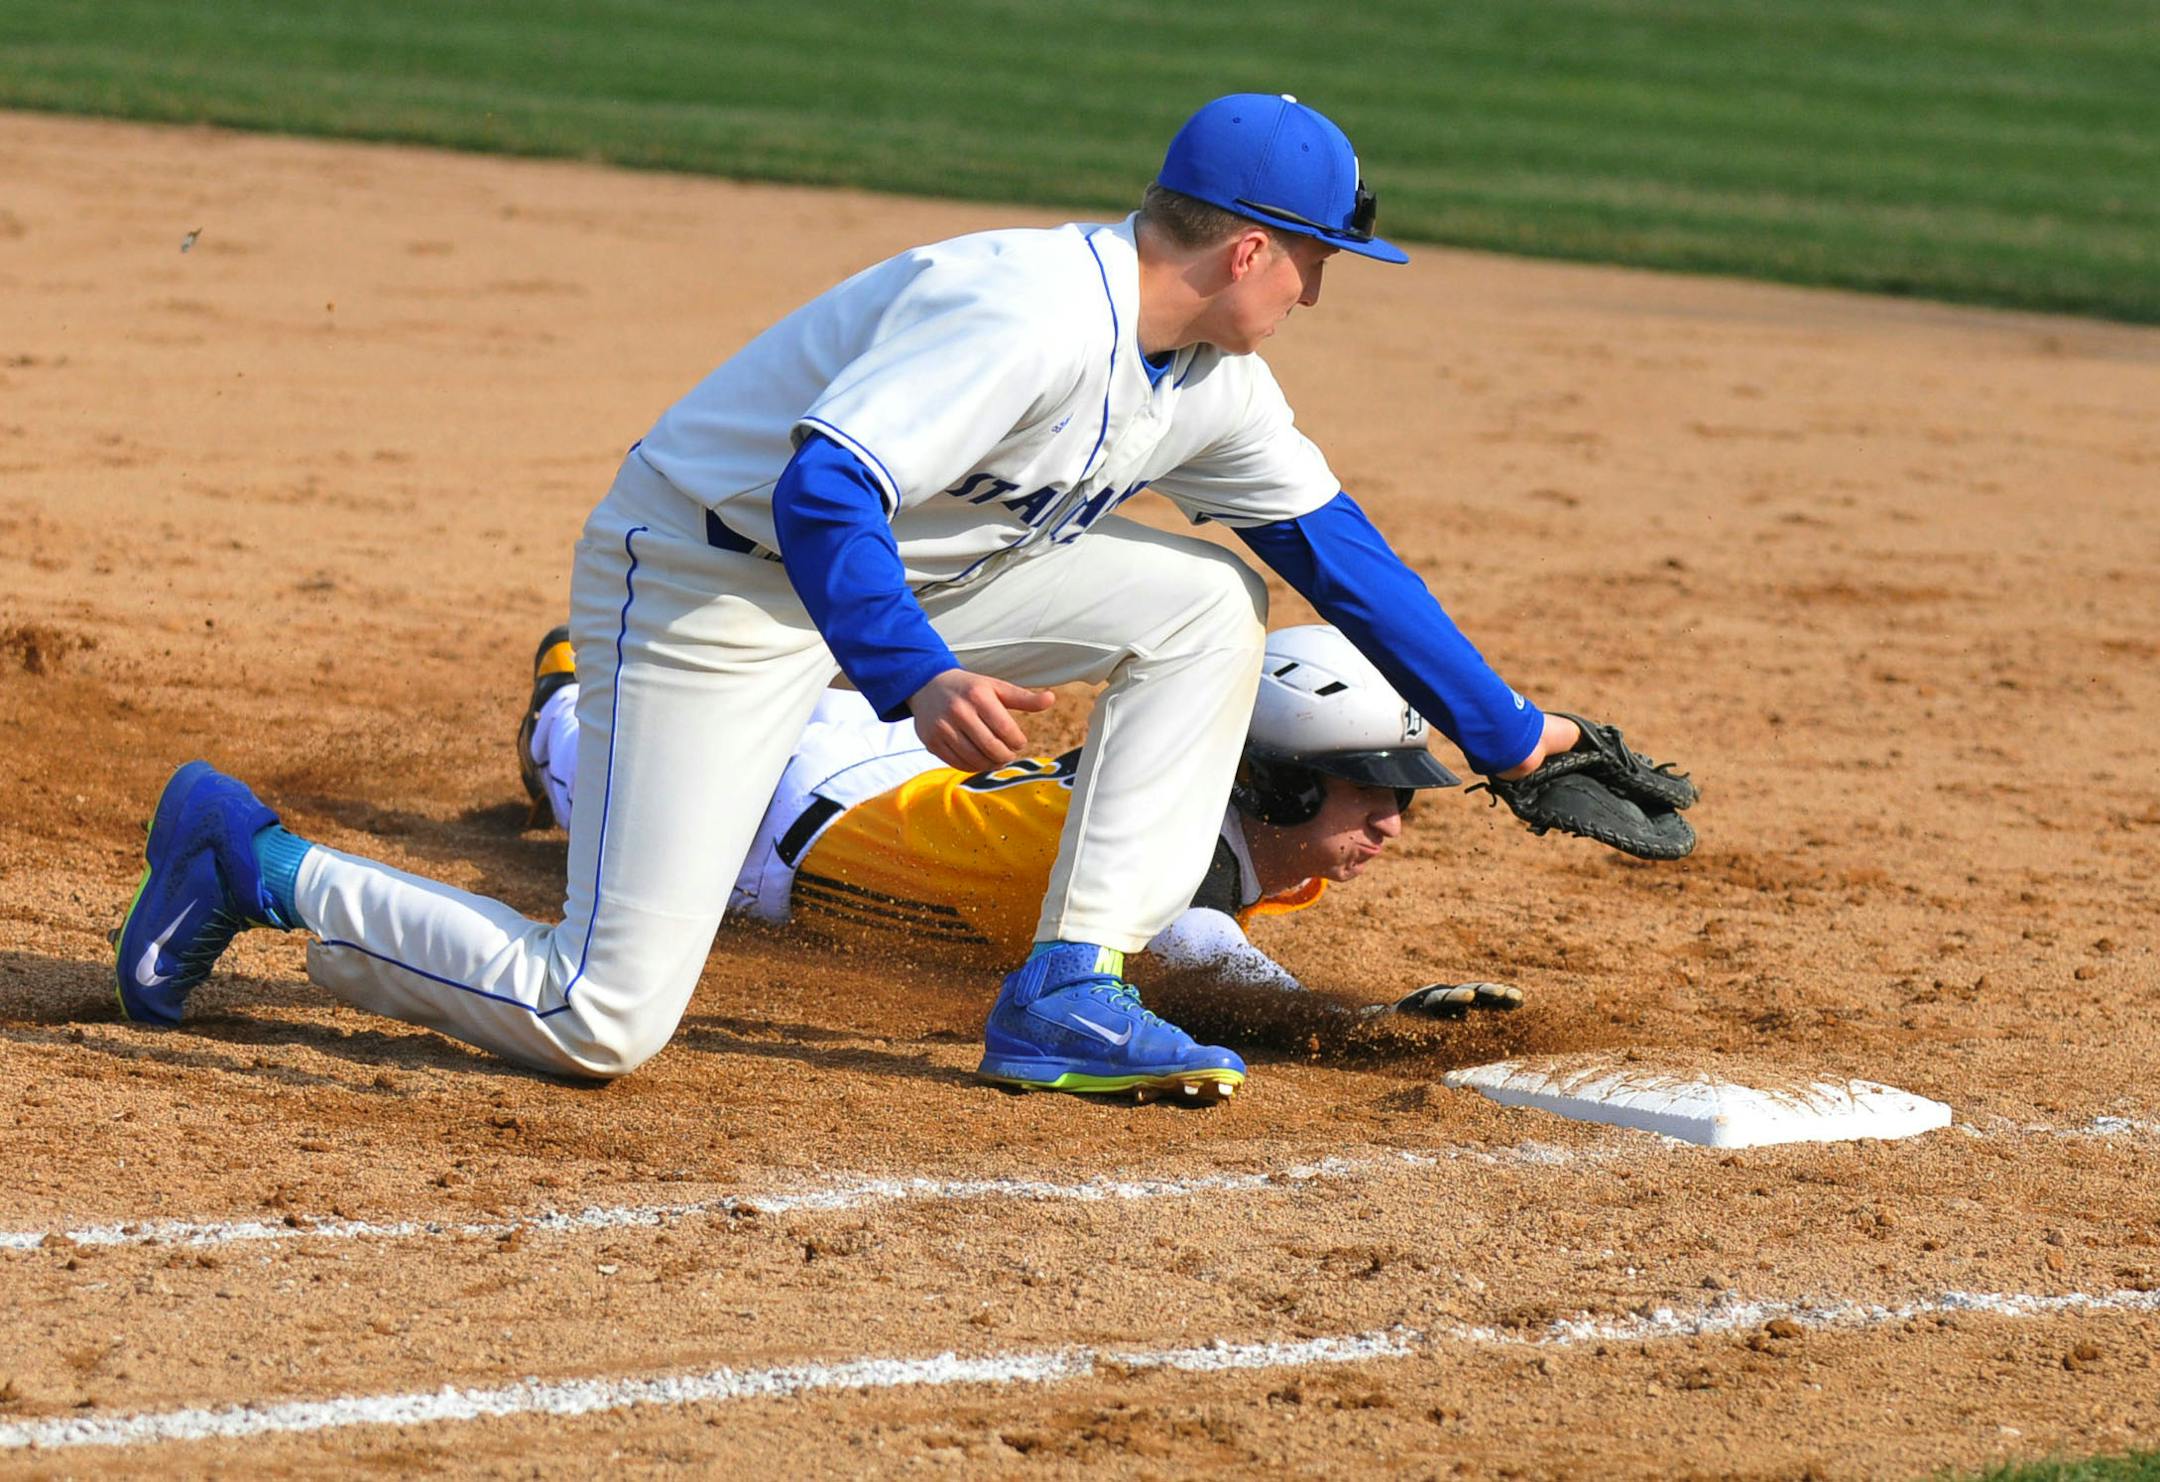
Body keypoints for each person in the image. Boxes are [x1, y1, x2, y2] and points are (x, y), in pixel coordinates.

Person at [114, 92, 1581, 1103]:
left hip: (920, 573)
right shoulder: (1022, 311)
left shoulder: (1210, 383)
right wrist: (916, 675)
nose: (1320, 291)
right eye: (1318, 261)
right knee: (599, 1018)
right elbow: (823, 491)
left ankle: (1069, 981)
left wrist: (1512, 734)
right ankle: (253, 861)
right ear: (1249, 247)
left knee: (1202, 601)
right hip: (705, 580)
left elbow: (1336, 551)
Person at [515, 621, 1525, 1028]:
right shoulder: (1161, 871)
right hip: (766, 819)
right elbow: (1233, 982)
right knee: (567, 757)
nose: (1394, 822)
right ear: (1279, 788)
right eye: (1369, 792)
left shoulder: (1202, 805)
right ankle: (573, 686)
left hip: (910, 770)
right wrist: (1375, 1029)